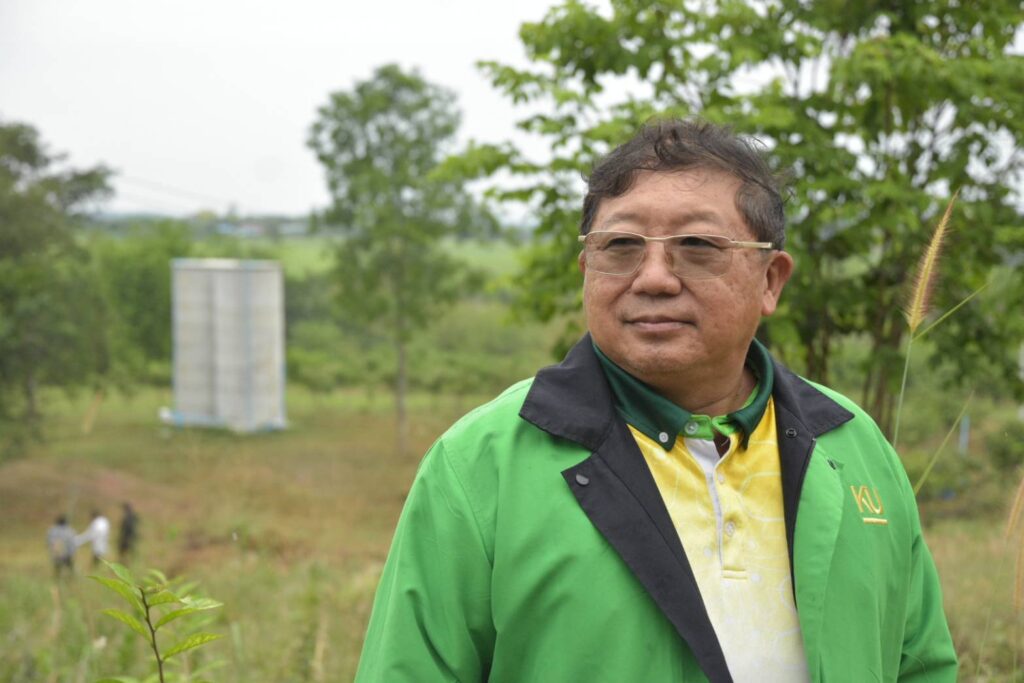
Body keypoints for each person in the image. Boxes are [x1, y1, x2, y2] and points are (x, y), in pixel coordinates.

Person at [354, 119, 957, 682]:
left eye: (697, 245)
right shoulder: (481, 465)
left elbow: (921, 664)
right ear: (587, 267)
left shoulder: (853, 447)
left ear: (771, 280)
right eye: (621, 245)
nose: (654, 278)